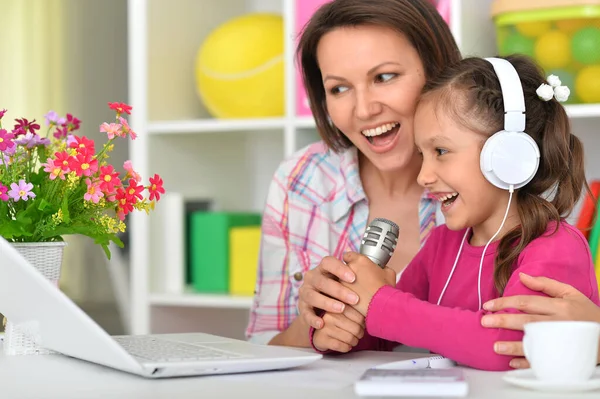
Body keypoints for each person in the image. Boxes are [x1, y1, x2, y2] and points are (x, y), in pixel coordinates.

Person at [310, 54, 600, 371]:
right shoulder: (443, 244)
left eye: (441, 151)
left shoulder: (556, 247)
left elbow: (505, 347)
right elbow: (387, 328)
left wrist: (379, 302)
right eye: (422, 155)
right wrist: (342, 327)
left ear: (506, 155)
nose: (424, 176)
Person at [244, 0, 460, 346]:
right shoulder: (301, 180)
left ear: (437, 70)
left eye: (384, 77)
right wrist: (311, 326)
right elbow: (262, 346)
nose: (364, 109)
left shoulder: (488, 177)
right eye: (339, 89)